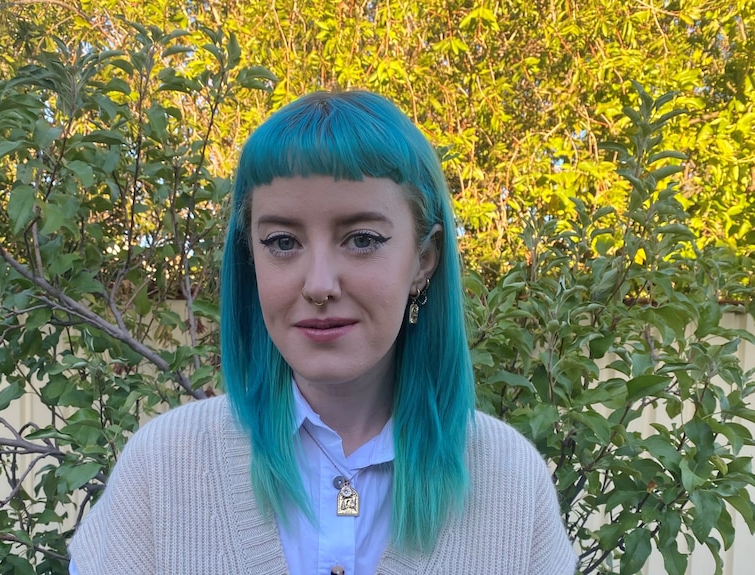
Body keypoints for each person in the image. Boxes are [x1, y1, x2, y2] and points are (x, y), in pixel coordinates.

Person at [68, 90, 577, 574]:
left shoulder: (511, 483)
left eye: (361, 239)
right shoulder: (163, 469)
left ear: (424, 259)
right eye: (283, 242)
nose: (318, 285)